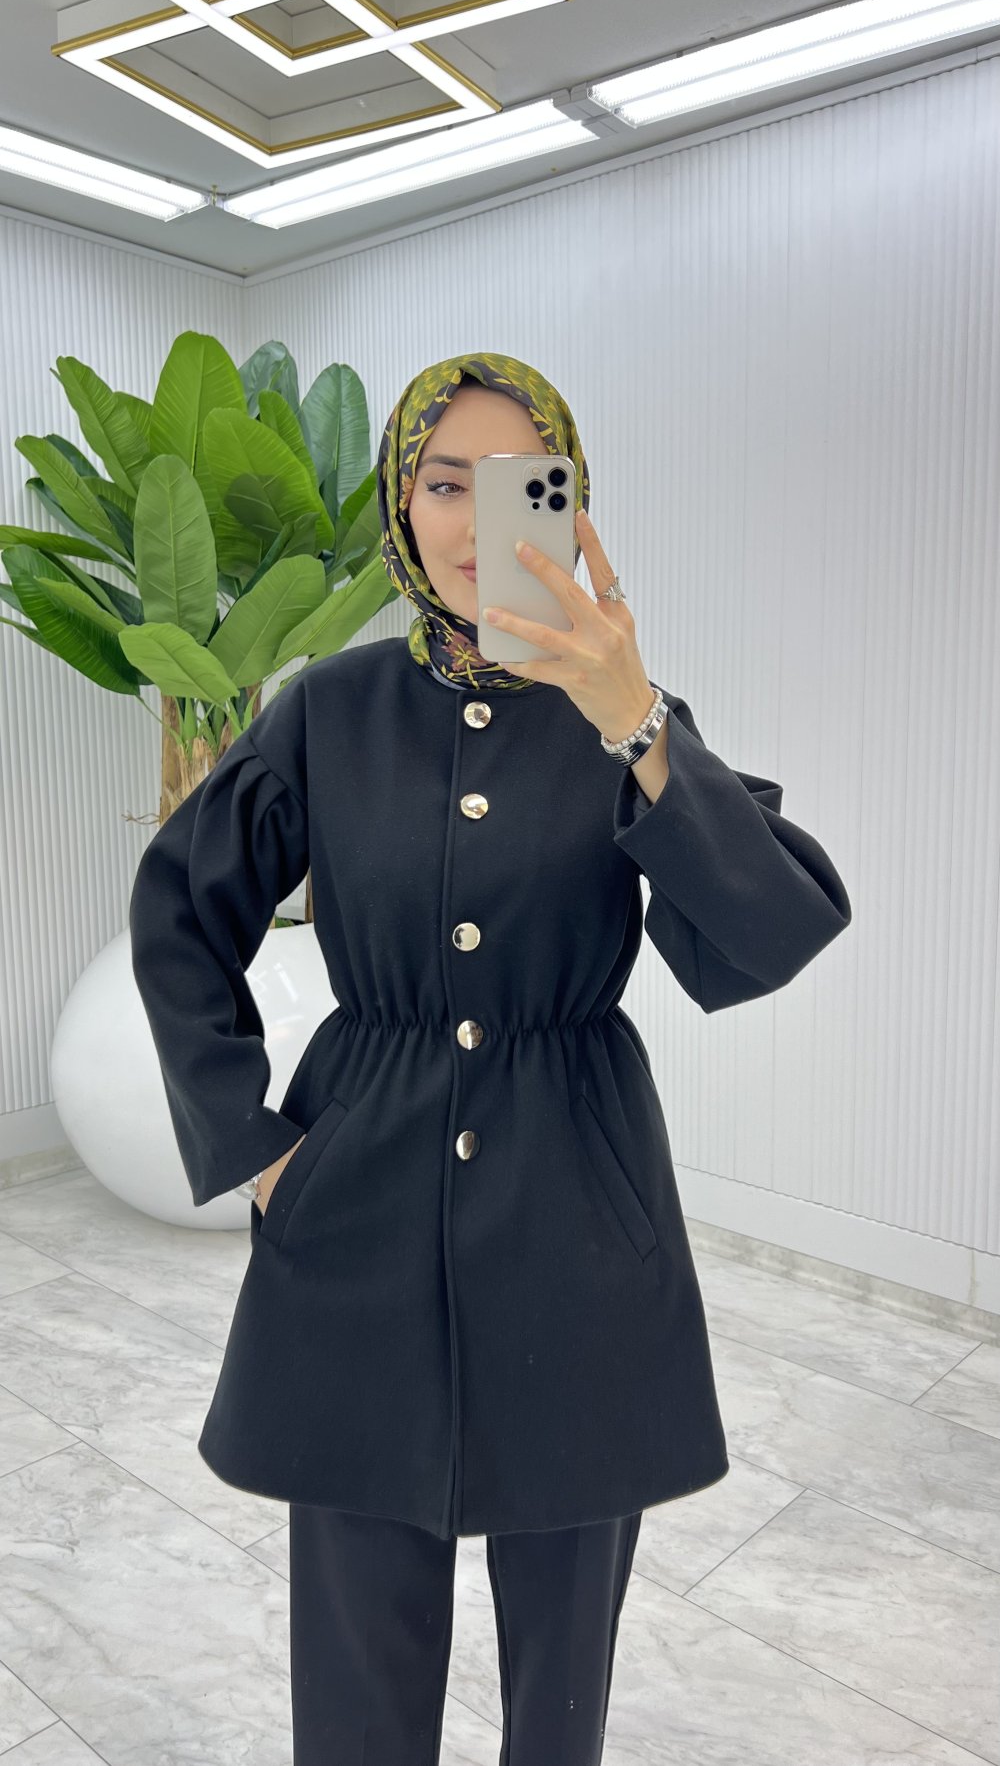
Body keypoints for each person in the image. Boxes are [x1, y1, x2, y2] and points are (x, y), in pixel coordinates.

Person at [129, 351, 852, 1763]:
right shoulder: (328, 713)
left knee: (560, 1685)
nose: (475, 522)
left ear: (570, 504)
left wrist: (635, 720)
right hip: (357, 1215)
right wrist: (254, 1146)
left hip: (578, 1220)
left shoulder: (628, 716)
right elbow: (178, 914)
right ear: (402, 503)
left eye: (520, 484)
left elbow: (767, 937)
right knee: (356, 1679)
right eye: (443, 482)